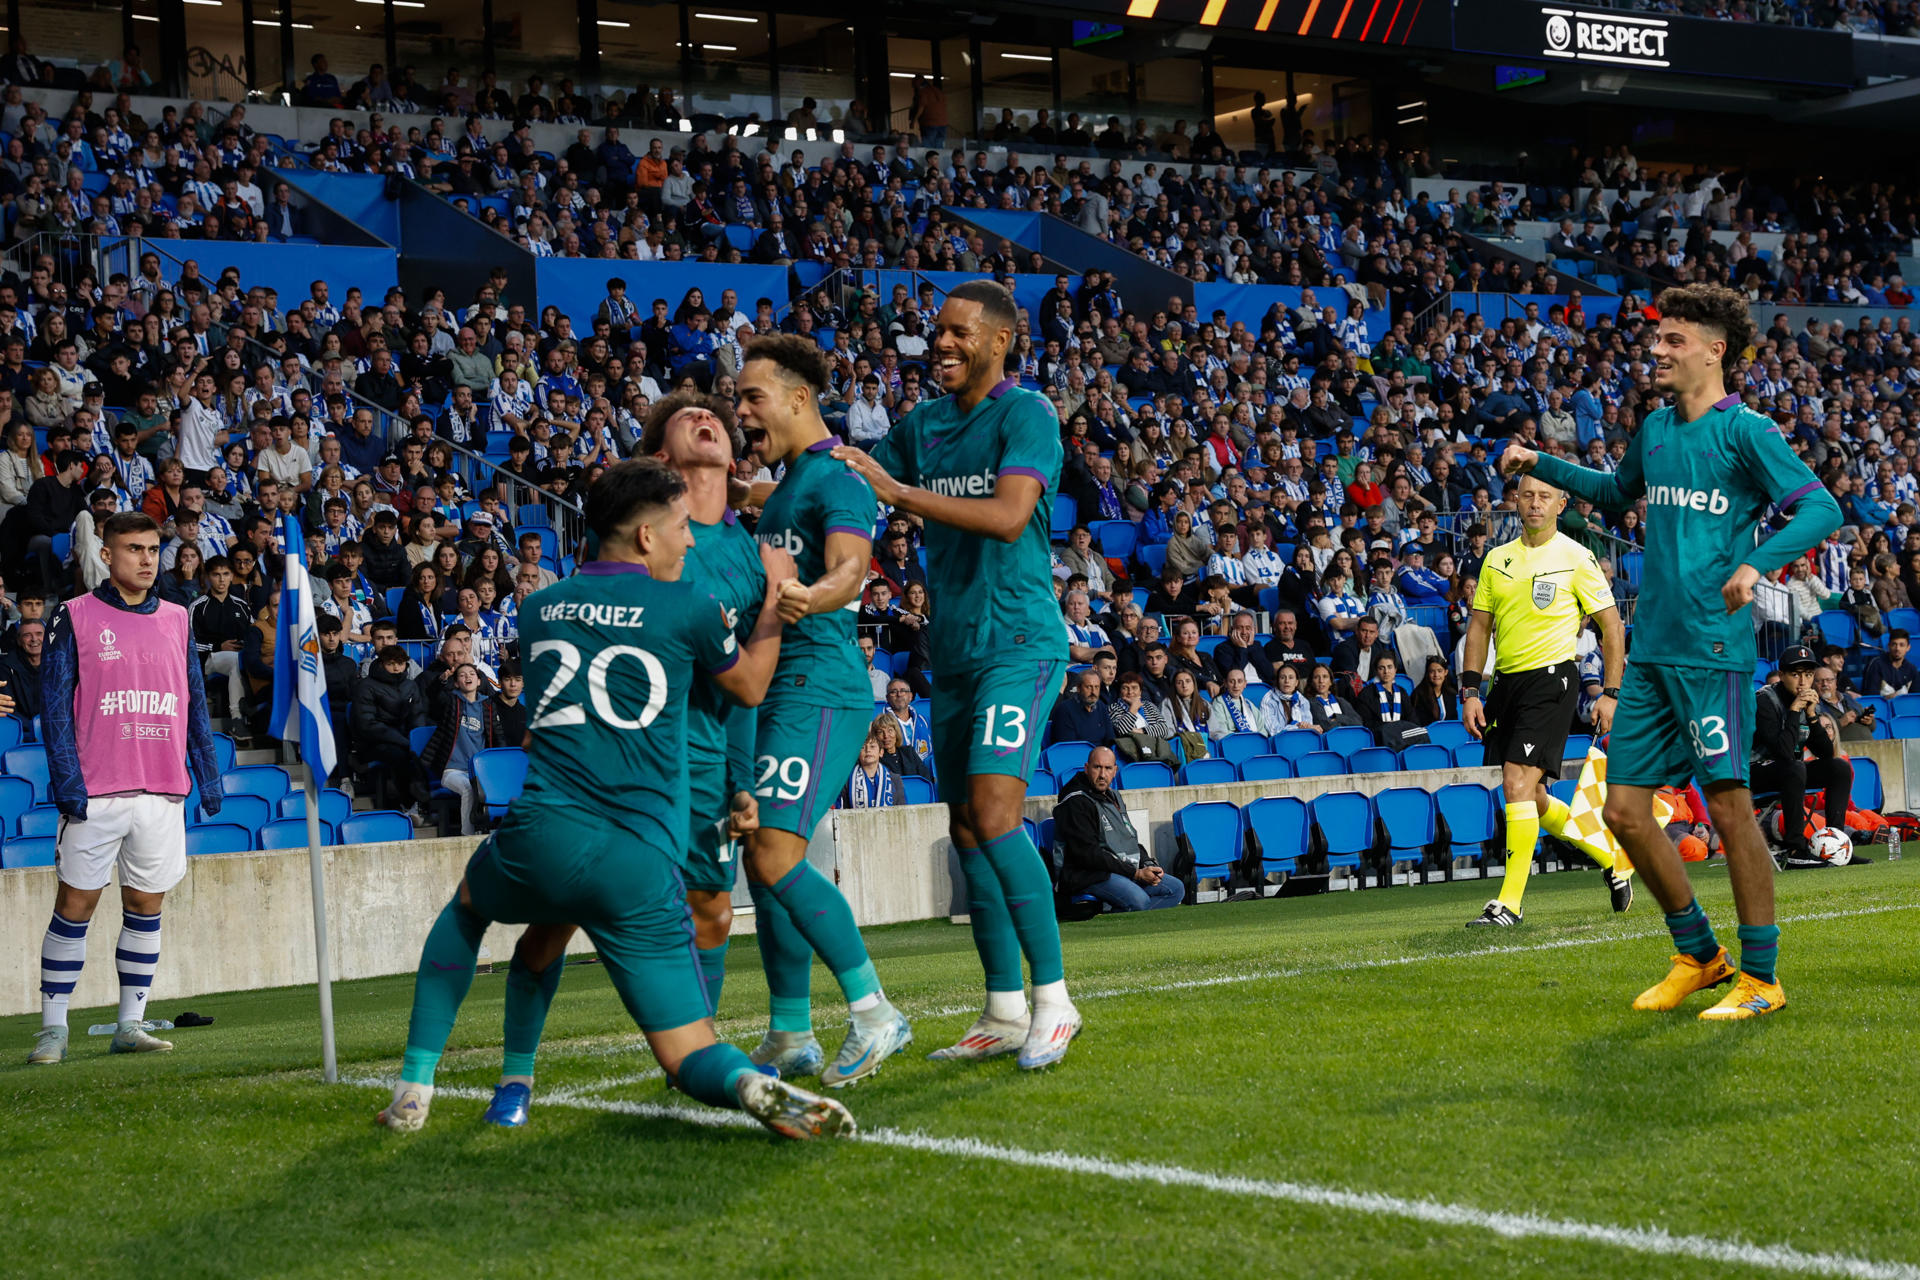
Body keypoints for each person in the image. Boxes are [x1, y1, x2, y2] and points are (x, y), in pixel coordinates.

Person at [378, 460, 855, 1143]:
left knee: (468, 912)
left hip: (542, 836)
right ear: (642, 538)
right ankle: (748, 1083)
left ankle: (418, 1085)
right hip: (638, 860)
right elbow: (749, 688)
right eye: (681, 529)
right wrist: (776, 604)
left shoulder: (540, 608)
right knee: (686, 1051)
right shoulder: (688, 605)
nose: (690, 543)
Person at [1505, 283, 1842, 1019]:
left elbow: (1821, 506)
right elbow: (1618, 491)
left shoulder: (1746, 432)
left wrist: (1758, 562)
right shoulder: (1655, 428)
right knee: (1625, 813)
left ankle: (1762, 977)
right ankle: (1699, 954)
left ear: (1715, 351)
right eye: (1657, 339)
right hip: (1653, 652)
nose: (1657, 350)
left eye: (1673, 340)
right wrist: (1542, 461)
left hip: (1712, 652)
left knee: (1729, 808)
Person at [833, 281, 1081, 1068]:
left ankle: (1055, 1002)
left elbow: (1009, 515)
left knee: (998, 814)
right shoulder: (924, 424)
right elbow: (850, 487)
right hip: (957, 650)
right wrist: (746, 493)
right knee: (966, 825)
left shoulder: (1027, 415)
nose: (937, 343)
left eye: (954, 333)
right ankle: (1002, 1008)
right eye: (934, 332)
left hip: (1020, 643)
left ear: (999, 340)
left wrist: (902, 494)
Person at [732, 335, 911, 1085]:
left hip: (821, 685)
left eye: (752, 398)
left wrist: (817, 593)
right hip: (780, 684)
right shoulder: (797, 477)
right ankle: (790, 1031)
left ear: (799, 398)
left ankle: (875, 1013)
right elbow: (768, 501)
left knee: (773, 853)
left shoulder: (836, 476)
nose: (741, 412)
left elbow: (850, 566)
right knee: (767, 855)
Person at [27, 512, 225, 1065]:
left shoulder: (178, 618)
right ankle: (52, 1028)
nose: (145, 558)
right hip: (97, 787)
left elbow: (194, 701)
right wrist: (68, 780)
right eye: (133, 548)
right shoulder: (74, 615)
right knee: (75, 905)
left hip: (161, 787)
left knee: (144, 905)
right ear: (106, 556)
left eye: (153, 548)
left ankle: (129, 1024)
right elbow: (56, 705)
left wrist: (205, 775)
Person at [1459, 474, 1628, 927]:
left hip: (1553, 681)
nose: (1534, 503)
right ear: (1515, 501)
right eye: (1527, 495)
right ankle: (1611, 858)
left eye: (1544, 497)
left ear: (1560, 504)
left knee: (1515, 783)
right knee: (1531, 797)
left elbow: (1611, 627)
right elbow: (1478, 628)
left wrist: (1610, 694)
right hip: (1505, 686)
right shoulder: (1497, 559)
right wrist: (1471, 690)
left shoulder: (1577, 556)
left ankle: (1508, 904)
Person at [1751, 646, 1856, 865]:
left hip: (1789, 771)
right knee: (1794, 766)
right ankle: (1795, 850)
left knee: (1838, 767)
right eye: (1795, 674)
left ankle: (1835, 845)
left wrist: (1811, 716)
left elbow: (1826, 753)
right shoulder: (1764, 700)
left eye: (1808, 675)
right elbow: (1784, 752)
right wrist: (1795, 710)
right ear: (1781, 676)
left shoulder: (1811, 701)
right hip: (1757, 772)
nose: (1802, 682)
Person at [1053, 747, 1183, 912]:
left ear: (1115, 771)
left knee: (1175, 889)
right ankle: (1114, 925)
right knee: (1139, 901)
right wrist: (1135, 874)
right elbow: (1089, 855)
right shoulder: (1075, 802)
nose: (1102, 774)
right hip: (1086, 874)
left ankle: (1132, 920)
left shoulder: (1114, 797)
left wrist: (1147, 864)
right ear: (1086, 768)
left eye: (1107, 768)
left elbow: (1129, 839)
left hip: (1118, 869)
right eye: (1097, 767)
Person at [189, 554, 252, 725]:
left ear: (232, 576)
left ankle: (258, 711)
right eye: (216, 575)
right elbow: (190, 644)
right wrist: (218, 646)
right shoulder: (197, 606)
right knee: (235, 661)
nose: (222, 579)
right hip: (207, 660)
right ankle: (237, 719)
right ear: (208, 577)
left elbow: (253, 635)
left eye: (225, 574)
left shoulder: (242, 605)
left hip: (240, 657)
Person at [1107, 669, 1175, 764]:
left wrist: (1141, 731)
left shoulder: (1149, 706)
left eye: (1134, 688)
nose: (1130, 692)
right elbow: (1122, 731)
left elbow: (1163, 729)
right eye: (1125, 688)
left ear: (1140, 691)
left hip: (1155, 753)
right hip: (1129, 755)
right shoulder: (1113, 708)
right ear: (1120, 691)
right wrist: (1133, 709)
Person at [1208, 666, 1269, 740]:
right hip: (1232, 746)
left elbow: (1262, 731)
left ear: (1245, 684)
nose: (1235, 686)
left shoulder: (1249, 705)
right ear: (1225, 683)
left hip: (1254, 745)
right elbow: (1220, 733)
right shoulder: (1218, 703)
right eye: (1231, 681)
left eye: (1239, 681)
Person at [838, 732, 894, 809]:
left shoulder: (894, 779)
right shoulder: (847, 781)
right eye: (862, 747)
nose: (868, 750)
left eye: (872, 746)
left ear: (881, 752)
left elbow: (903, 809)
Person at [1859, 628, 1919, 696]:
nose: (1897, 649)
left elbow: (1915, 700)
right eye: (1894, 644)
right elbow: (1871, 698)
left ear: (1908, 647)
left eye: (1901, 645)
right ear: (1889, 646)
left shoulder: (1912, 670)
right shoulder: (1876, 665)